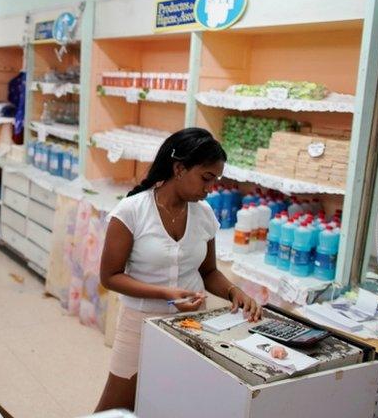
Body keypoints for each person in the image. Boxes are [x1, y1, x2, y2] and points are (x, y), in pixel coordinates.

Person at [94, 128, 262, 412]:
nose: (210, 188)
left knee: (174, 403)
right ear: (179, 168)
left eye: (215, 180)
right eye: (206, 178)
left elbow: (208, 272)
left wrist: (235, 291)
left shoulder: (204, 214)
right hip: (141, 322)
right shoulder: (132, 211)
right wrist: (164, 293)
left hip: (190, 324)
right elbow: (110, 276)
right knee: (115, 407)